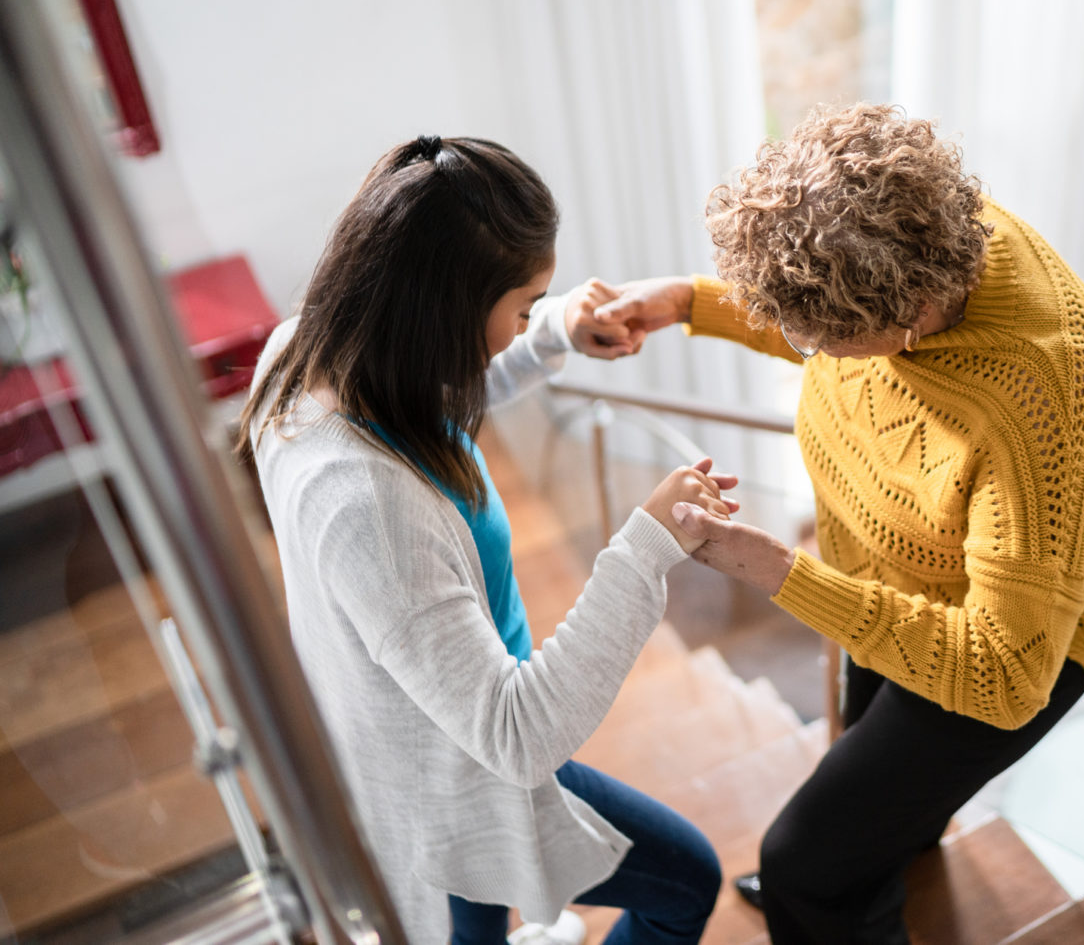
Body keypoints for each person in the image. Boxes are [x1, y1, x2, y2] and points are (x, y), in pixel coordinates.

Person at [594, 104, 1084, 943]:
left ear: (908, 317)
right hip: (888, 582)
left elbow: (1003, 673)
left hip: (1007, 644)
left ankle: (835, 892)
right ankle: (879, 856)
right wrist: (687, 303)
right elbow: (828, 303)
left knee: (805, 862)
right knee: (874, 804)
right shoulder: (924, 237)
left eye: (817, 344)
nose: (800, 349)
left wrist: (782, 573)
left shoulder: (1042, 397)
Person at [239, 135, 728, 945]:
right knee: (687, 880)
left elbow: (430, 405)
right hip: (459, 770)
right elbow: (515, 731)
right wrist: (643, 548)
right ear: (446, 315)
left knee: (473, 923)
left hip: (431, 732)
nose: (524, 323)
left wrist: (553, 336)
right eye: (522, 306)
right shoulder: (370, 508)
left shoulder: (300, 356)